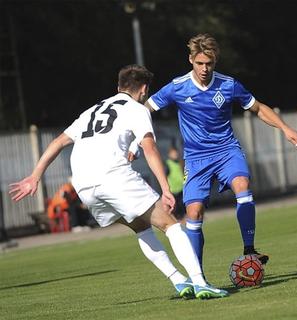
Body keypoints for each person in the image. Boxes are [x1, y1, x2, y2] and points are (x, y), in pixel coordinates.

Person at [9, 64, 228, 299]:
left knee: (141, 227)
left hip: (83, 184)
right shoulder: (136, 109)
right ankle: (199, 282)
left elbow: (58, 142)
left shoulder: (92, 110)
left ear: (118, 86)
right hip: (112, 176)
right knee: (171, 225)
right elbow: (150, 148)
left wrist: (35, 176)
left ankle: (178, 280)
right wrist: (165, 189)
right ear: (143, 89)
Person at [144, 34, 297, 268]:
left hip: (227, 149)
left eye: (209, 63)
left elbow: (257, 108)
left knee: (242, 186)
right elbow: (145, 109)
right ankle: (198, 276)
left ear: (215, 61)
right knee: (194, 214)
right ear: (191, 60)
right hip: (196, 158)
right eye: (200, 63)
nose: (205, 68)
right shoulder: (177, 87)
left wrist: (285, 128)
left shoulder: (229, 85)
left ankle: (249, 250)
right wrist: (135, 139)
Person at [165, 146, 186, 220]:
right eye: (173, 153)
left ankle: (182, 219)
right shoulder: (167, 164)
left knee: (182, 205)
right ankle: (175, 220)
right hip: (173, 189)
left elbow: (184, 174)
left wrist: (185, 181)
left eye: (176, 153)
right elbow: (165, 176)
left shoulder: (180, 162)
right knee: (175, 207)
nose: (175, 155)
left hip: (181, 188)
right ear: (169, 154)